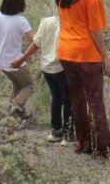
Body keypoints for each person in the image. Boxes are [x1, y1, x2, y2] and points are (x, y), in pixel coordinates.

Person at [55, 0, 110, 157]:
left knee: (77, 100)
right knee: (95, 100)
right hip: (86, 54)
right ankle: (102, 146)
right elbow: (95, 30)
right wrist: (105, 56)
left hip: (65, 51)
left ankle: (83, 141)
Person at [17, 13, 73, 143]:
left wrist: (22, 58)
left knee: (56, 98)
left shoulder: (46, 21)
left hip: (47, 68)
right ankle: (68, 133)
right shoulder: (69, 23)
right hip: (62, 67)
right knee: (67, 100)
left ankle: (56, 131)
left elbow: (36, 43)